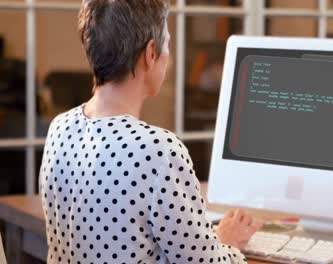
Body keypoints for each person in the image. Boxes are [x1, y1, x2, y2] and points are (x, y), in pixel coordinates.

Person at [38, 0, 263, 263]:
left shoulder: (60, 127)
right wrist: (225, 241)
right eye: (167, 43)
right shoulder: (157, 150)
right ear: (151, 53)